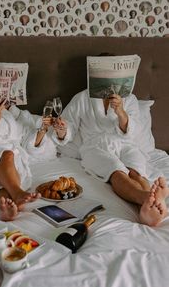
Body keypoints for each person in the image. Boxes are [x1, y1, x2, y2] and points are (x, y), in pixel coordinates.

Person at [56, 90, 169, 227]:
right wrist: (62, 131)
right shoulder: (81, 98)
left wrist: (120, 111)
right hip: (94, 146)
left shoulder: (129, 98)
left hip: (124, 143)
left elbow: (133, 130)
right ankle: (147, 197)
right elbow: (70, 128)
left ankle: (146, 210)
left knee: (137, 171)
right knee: (116, 170)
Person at [0, 95, 67, 221]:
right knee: (6, 154)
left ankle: (9, 207)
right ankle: (18, 193)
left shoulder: (22, 116)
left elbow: (29, 145)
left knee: (6, 180)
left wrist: (43, 129)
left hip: (12, 155)